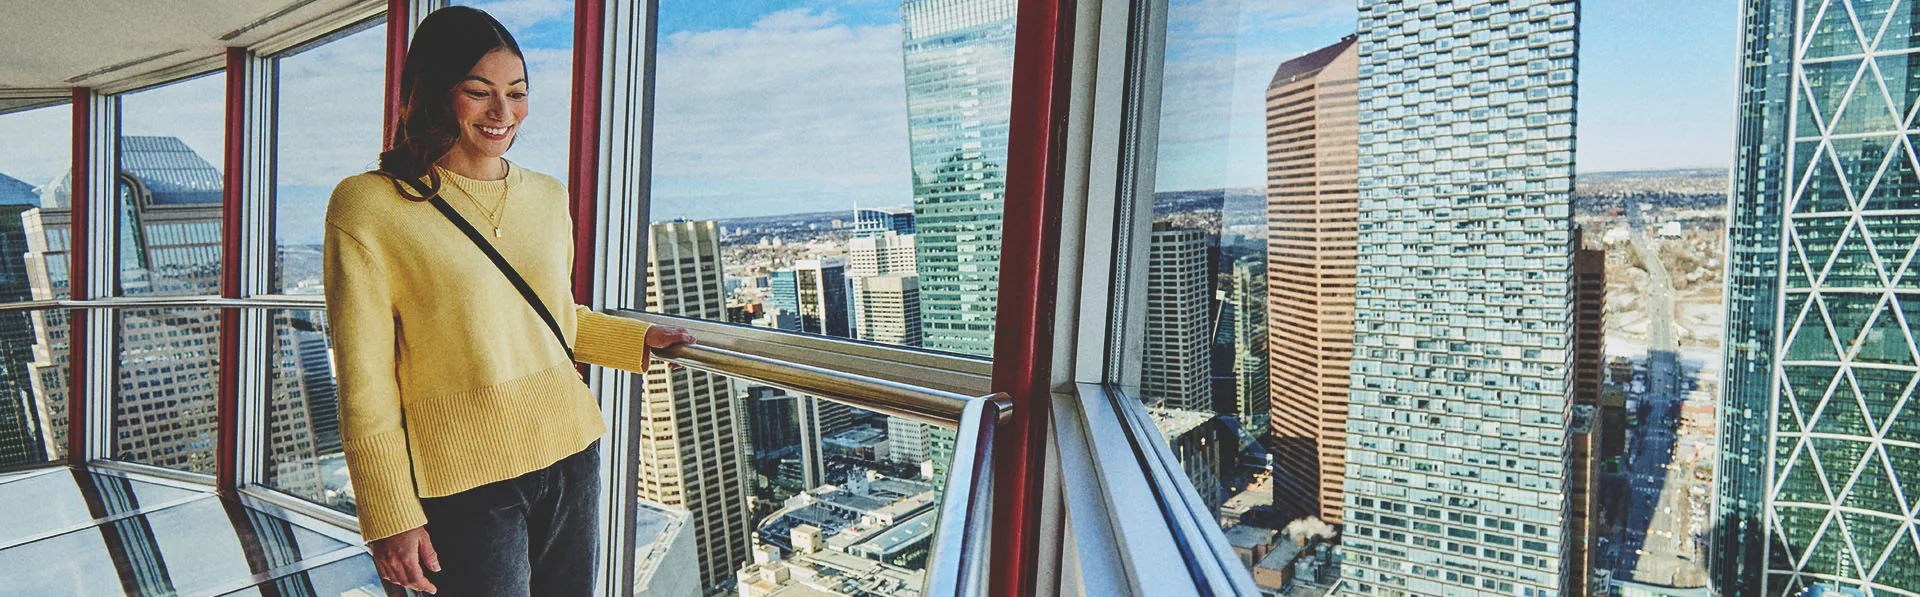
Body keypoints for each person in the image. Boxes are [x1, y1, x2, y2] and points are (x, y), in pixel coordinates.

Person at [322, 6, 693, 595]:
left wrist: (635, 338)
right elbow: (363, 379)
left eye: (517, 93)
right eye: (479, 92)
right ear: (434, 92)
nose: (503, 113)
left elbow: (550, 316)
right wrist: (389, 513)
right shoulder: (369, 206)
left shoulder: (546, 196)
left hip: (571, 450)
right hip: (464, 480)